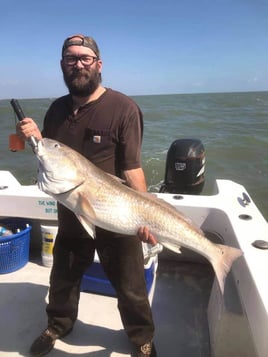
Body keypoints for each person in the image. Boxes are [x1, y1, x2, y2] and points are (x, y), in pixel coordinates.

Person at [16, 34, 157, 357]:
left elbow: (132, 168)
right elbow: (52, 158)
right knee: (63, 277)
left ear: (99, 64)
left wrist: (146, 214)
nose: (78, 64)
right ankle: (58, 324)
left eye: (85, 58)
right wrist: (36, 138)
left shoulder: (123, 108)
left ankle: (141, 338)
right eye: (71, 59)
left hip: (117, 212)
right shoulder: (56, 110)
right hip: (72, 210)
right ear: (62, 66)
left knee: (131, 286)